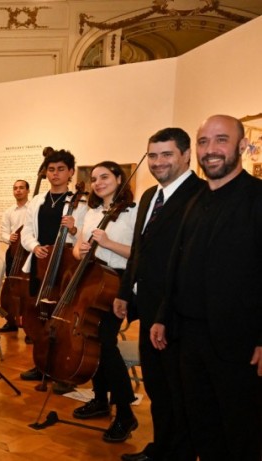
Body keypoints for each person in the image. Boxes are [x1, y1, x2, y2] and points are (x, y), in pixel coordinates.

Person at [151, 115, 262, 460]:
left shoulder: (257, 198)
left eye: (221, 140)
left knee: (241, 434)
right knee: (202, 428)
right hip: (188, 338)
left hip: (239, 342)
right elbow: (178, 265)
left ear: (242, 146)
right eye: (203, 142)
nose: (211, 150)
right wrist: (162, 316)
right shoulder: (196, 200)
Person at [113, 128, 202, 461]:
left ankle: (179, 452)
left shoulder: (199, 194)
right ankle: (162, 447)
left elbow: (187, 261)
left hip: (176, 311)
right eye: (153, 155)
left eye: (167, 154)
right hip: (147, 304)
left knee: (178, 388)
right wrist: (125, 290)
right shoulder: (150, 195)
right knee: (157, 385)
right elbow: (139, 247)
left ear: (185, 155)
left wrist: (165, 312)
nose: (158, 162)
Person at [69, 161, 139, 443]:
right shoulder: (92, 211)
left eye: (105, 177)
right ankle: (100, 399)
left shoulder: (133, 213)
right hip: (92, 278)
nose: (98, 182)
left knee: (105, 342)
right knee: (91, 339)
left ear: (119, 178)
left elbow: (139, 253)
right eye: (95, 178)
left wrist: (108, 243)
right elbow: (77, 249)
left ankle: (125, 411)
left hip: (119, 282)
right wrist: (78, 249)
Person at [18, 149, 88, 389]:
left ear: (70, 172)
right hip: (41, 262)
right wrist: (34, 246)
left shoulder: (80, 203)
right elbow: (27, 229)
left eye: (60, 169)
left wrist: (74, 229)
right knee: (41, 316)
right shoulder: (37, 200)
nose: (55, 174)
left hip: (65, 265)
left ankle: (63, 370)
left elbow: (85, 235)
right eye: (51, 169)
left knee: (62, 318)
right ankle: (41, 365)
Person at [0, 179, 30, 332]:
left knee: (28, 289)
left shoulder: (33, 209)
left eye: (21, 188)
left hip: (28, 253)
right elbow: (3, 232)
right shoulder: (8, 211)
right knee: (11, 286)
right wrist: (8, 237)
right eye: (15, 188)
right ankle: (11, 320)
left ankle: (30, 326)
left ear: (28, 191)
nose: (18, 190)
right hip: (12, 252)